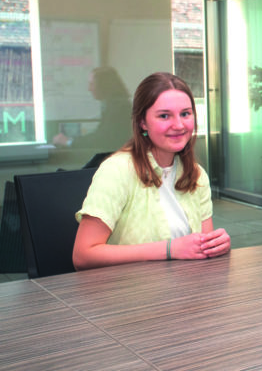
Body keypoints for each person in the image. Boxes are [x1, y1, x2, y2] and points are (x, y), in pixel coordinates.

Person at [73, 72, 231, 270]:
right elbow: (83, 256)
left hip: (184, 285)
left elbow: (203, 248)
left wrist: (215, 246)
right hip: (131, 286)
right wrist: (169, 249)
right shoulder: (117, 170)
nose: (179, 125)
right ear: (143, 122)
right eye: (164, 116)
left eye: (185, 114)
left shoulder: (197, 174)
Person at [53, 66, 132, 152]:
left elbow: (102, 138)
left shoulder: (119, 108)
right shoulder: (115, 104)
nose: (89, 89)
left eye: (92, 84)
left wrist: (69, 142)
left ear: (103, 85)